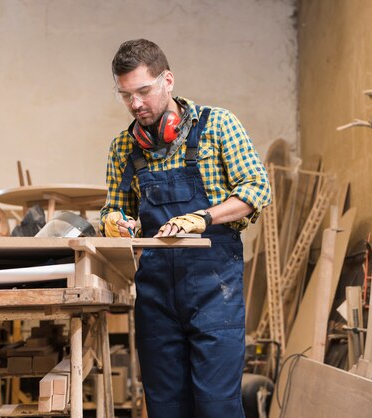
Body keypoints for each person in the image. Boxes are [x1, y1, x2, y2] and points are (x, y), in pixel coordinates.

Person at [100, 39, 271, 418]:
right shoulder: (122, 149)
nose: (136, 104)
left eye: (143, 91)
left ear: (168, 80)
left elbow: (257, 190)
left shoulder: (218, 125)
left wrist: (205, 217)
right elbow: (115, 206)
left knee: (216, 407)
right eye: (125, 96)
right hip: (156, 295)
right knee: (165, 408)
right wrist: (113, 220)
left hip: (215, 290)